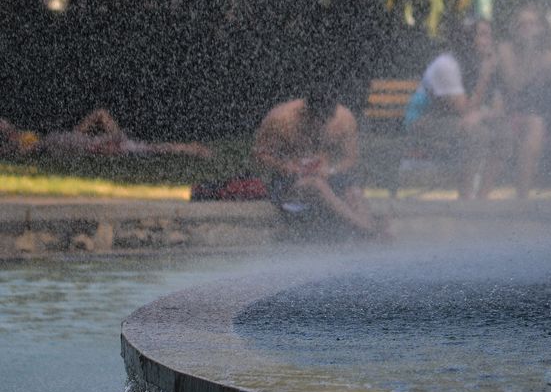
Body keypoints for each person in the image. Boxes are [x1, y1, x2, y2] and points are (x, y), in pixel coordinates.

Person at [253, 88, 379, 236]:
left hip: (329, 180)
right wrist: (287, 167)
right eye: (315, 120)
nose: (319, 125)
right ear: (305, 112)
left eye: (325, 121)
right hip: (290, 187)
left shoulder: (343, 119)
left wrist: (331, 170)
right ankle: (368, 231)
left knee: (354, 192)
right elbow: (259, 155)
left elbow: (351, 159)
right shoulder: (281, 120)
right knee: (316, 185)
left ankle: (367, 231)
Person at [405, 18, 505, 199]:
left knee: (503, 134)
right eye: (482, 35)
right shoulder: (446, 65)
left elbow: (499, 110)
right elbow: (465, 111)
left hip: (456, 120)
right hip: (423, 121)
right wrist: (484, 76)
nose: (488, 41)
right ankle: (466, 199)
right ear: (467, 38)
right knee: (477, 134)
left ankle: (482, 200)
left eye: (489, 35)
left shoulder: (485, 64)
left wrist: (480, 114)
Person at [495, 1, 551, 199]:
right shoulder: (505, 49)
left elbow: (545, 95)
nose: (527, 29)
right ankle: (522, 198)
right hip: (509, 113)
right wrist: (530, 53)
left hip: (545, 115)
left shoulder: (549, 54)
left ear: (540, 28)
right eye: (523, 25)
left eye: (532, 24)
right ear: (515, 28)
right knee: (534, 124)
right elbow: (515, 87)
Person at [0, 109, 212, 159]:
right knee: (153, 148)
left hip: (87, 140)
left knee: (101, 113)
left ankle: (192, 149)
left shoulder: (21, 135)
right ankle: (193, 150)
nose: (7, 126)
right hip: (100, 145)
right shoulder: (24, 144)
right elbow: (23, 151)